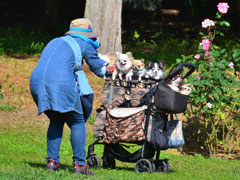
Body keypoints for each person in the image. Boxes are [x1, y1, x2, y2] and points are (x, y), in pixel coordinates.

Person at [30, 18, 107, 175]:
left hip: (37, 82)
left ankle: (52, 162)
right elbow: (100, 70)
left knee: (56, 119)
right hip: (61, 83)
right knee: (77, 120)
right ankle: (80, 165)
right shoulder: (84, 43)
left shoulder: (54, 41)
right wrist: (111, 68)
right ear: (88, 33)